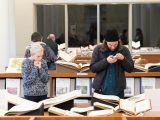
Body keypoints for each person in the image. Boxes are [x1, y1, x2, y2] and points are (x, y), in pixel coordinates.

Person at [90, 29, 134, 98]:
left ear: (118, 42)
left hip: (118, 92)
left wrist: (123, 59)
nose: (113, 47)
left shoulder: (124, 50)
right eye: (110, 45)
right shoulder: (98, 49)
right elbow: (93, 68)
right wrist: (106, 61)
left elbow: (130, 69)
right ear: (105, 42)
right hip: (100, 90)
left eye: (115, 44)